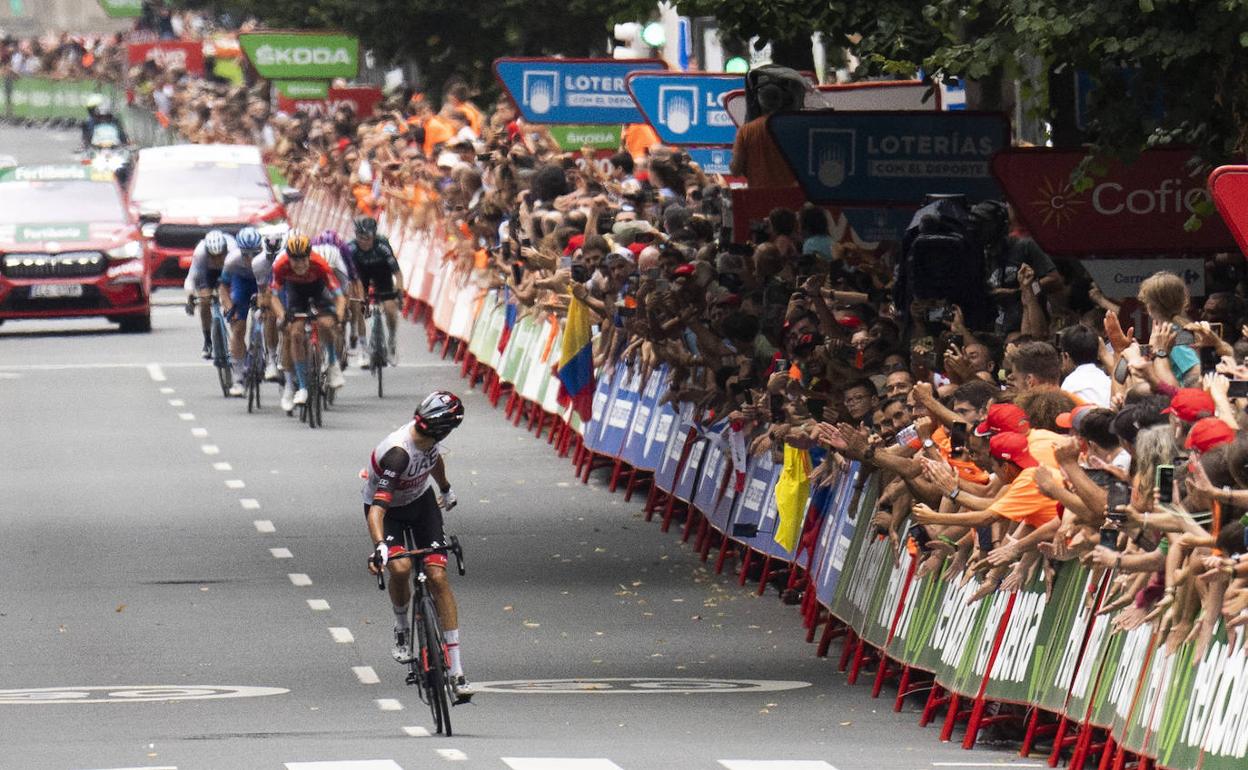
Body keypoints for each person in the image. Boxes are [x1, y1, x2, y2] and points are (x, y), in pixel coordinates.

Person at [363, 391, 474, 701]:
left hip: (421, 503)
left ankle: (456, 669)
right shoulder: (398, 454)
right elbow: (377, 511)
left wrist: (446, 488)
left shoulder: (429, 439)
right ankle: (401, 627)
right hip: (388, 512)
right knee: (400, 567)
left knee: (438, 576)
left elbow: (434, 460)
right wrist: (380, 546)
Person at [269, 232, 347, 405]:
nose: (300, 264)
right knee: (295, 334)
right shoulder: (281, 266)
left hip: (318, 290)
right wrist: (283, 315)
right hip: (295, 293)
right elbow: (273, 297)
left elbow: (339, 297)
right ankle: (302, 387)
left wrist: (339, 319)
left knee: (326, 324)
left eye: (303, 259)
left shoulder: (320, 264)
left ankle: (333, 364)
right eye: (295, 260)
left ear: (309, 256)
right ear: (288, 258)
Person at [351, 216, 404, 365]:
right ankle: (363, 349)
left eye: (367, 238)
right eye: (360, 238)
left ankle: (392, 341)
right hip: (361, 276)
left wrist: (399, 292)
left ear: (374, 236)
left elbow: (397, 274)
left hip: (382, 274)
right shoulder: (352, 248)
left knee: (390, 309)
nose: (364, 242)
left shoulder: (382, 246)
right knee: (358, 308)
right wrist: (358, 299)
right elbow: (349, 278)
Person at [219, 227, 263, 397]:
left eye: (255, 254)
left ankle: (269, 356)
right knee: (238, 328)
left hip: (261, 283)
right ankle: (238, 379)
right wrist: (230, 307)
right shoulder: (232, 260)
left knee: (270, 318)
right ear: (239, 251)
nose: (250, 259)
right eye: (246, 254)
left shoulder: (267, 258)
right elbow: (223, 286)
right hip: (242, 285)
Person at [185, 229, 238, 359]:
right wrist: (190, 297)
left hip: (228, 270)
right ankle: (208, 340)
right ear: (207, 253)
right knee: (204, 301)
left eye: (220, 255)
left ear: (225, 250)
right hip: (207, 273)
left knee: (231, 302)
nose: (217, 259)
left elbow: (238, 279)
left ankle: (235, 339)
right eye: (213, 256)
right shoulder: (200, 253)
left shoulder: (233, 250)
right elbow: (191, 278)